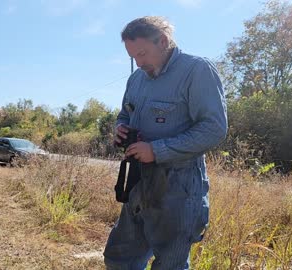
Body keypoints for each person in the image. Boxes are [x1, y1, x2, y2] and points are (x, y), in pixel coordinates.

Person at [103, 16, 228, 269]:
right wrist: (120, 128)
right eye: (133, 57)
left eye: (142, 53)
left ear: (162, 41)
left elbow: (214, 128)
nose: (138, 63)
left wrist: (157, 150)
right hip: (137, 183)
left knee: (169, 264)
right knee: (119, 259)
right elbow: (124, 114)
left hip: (178, 190)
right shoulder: (136, 79)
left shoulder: (197, 70)